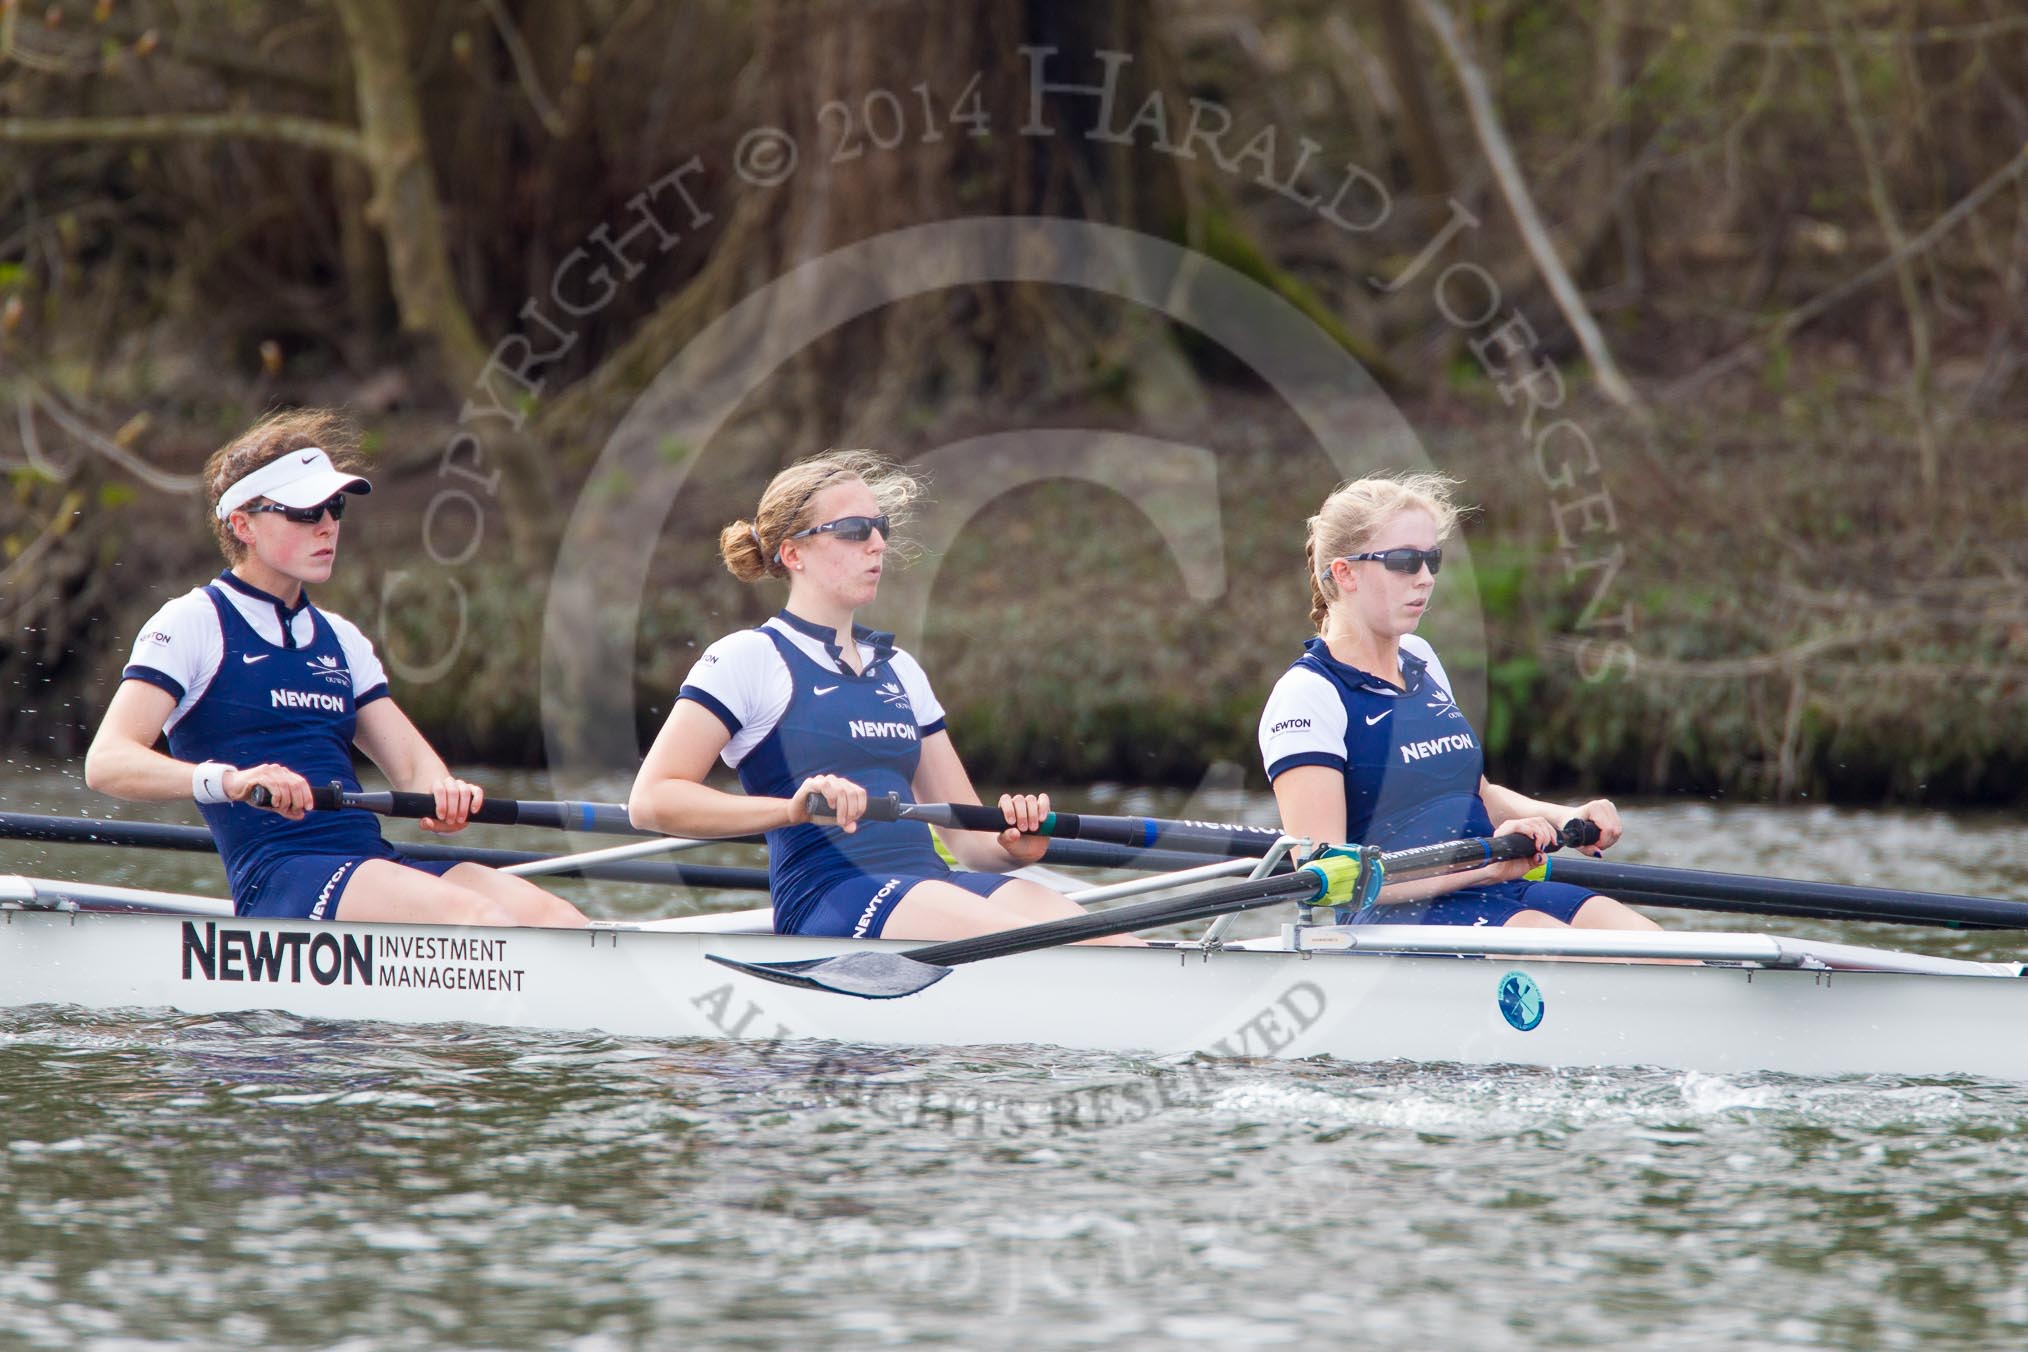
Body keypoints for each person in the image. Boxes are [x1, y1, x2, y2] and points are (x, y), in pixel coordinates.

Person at [84, 409, 586, 929]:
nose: (327, 525)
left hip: (368, 864)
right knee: (479, 917)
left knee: (560, 919)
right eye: (305, 511)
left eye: (334, 506)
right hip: (282, 878)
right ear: (243, 525)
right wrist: (230, 781)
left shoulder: (340, 639)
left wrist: (446, 794)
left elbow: (415, 771)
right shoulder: (193, 623)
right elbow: (106, 762)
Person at [629, 449, 1137, 944]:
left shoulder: (900, 671)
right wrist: (791, 809)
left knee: (1110, 944)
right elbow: (651, 801)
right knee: (1036, 944)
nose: (876, 545)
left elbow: (968, 842)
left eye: (880, 529)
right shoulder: (749, 658)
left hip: (932, 888)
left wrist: (1015, 846)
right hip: (832, 895)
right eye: (853, 531)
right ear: (793, 553)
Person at [1258, 473, 1659, 932]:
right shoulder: (1306, 697)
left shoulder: (1422, 660)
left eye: (1432, 560)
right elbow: (1328, 876)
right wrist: (1484, 865)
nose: (1425, 578)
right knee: (1564, 949)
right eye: (1404, 561)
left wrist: (1565, 815)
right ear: (1345, 572)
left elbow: (1477, 794)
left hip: (1495, 884)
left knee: (1660, 949)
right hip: (1396, 916)